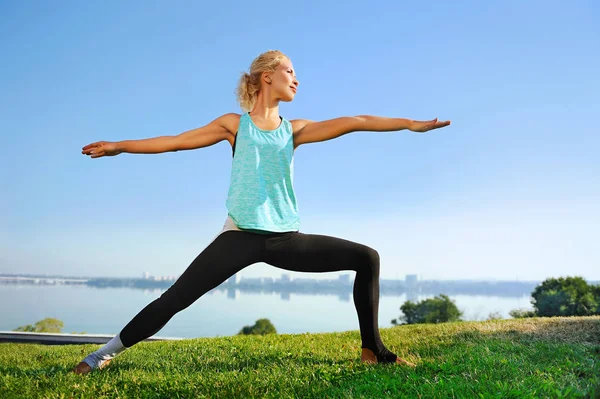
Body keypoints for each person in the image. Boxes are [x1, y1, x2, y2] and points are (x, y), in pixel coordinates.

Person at [73, 50, 451, 375]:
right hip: (238, 237)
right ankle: (100, 356)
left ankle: (374, 351)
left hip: (285, 238)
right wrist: (120, 146)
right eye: (290, 71)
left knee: (366, 258)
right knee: (175, 299)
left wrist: (409, 125)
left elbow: (358, 121)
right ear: (267, 77)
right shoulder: (233, 125)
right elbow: (174, 142)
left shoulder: (294, 130)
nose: (297, 80)